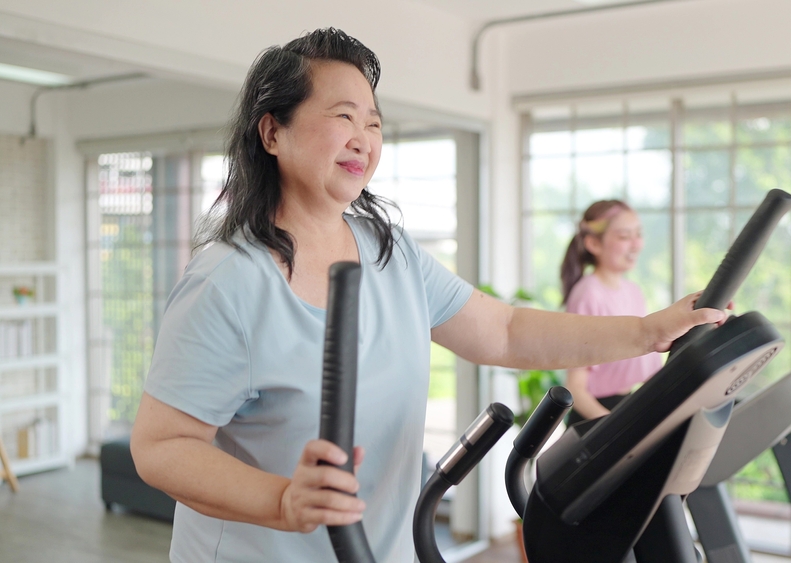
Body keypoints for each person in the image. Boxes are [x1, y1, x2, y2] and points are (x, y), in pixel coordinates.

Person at [130, 28, 725, 563]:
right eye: (343, 116)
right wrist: (284, 499)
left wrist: (647, 331)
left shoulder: (390, 251)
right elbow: (161, 447)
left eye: (373, 121)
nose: (363, 137)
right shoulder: (228, 281)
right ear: (272, 132)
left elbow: (506, 330)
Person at [560, 200, 665, 426]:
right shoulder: (587, 295)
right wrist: (614, 428)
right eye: (625, 236)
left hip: (624, 406)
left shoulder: (633, 291)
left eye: (639, 234)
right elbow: (576, 389)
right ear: (594, 244)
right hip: (593, 419)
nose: (636, 244)